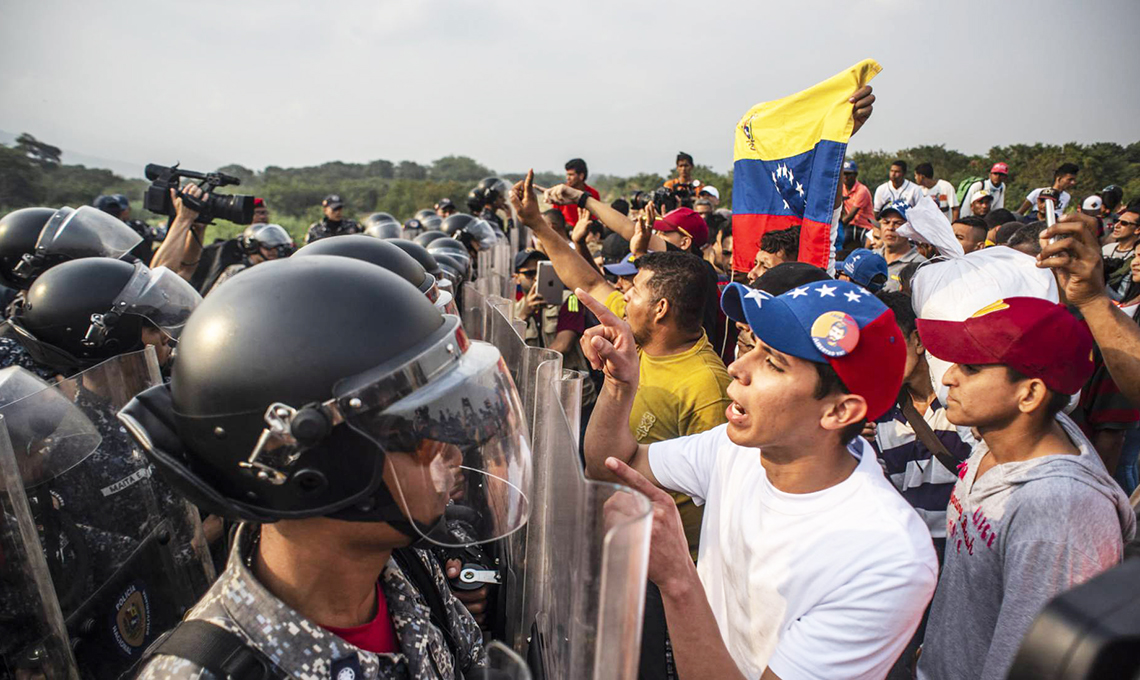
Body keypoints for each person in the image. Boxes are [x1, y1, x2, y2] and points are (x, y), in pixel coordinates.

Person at [122, 256, 529, 678]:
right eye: (419, 430)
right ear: (318, 469)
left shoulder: (404, 574)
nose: (454, 455)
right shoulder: (205, 671)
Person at [580, 273, 937, 679]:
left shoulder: (886, 559)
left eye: (773, 362)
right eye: (753, 345)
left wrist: (677, 578)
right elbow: (611, 461)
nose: (736, 367)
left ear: (839, 412)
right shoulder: (736, 449)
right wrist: (618, 384)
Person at [915, 297, 1136, 680]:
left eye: (971, 367)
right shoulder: (993, 438)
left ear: (1030, 394)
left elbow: (1037, 665)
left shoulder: (1060, 512)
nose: (949, 377)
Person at [204, 223, 295, 295]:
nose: (274, 252)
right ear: (252, 246)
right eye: (268, 247)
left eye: (277, 247)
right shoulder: (236, 272)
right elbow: (215, 299)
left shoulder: (281, 271)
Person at [876, 201, 927, 292]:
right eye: (886, 222)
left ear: (911, 229)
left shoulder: (920, 265)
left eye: (898, 223)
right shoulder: (871, 256)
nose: (890, 227)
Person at [556, 158, 601, 227]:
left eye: (571, 175)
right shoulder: (560, 192)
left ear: (581, 176)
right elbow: (554, 216)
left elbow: (596, 217)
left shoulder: (593, 194)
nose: (567, 178)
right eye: (567, 174)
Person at [841, 160, 875, 248]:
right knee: (838, 242)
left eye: (849, 174)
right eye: (844, 173)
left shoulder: (862, 190)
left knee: (869, 248)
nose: (846, 177)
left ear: (855, 175)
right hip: (851, 225)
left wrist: (838, 226)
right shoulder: (841, 188)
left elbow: (851, 215)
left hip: (865, 226)